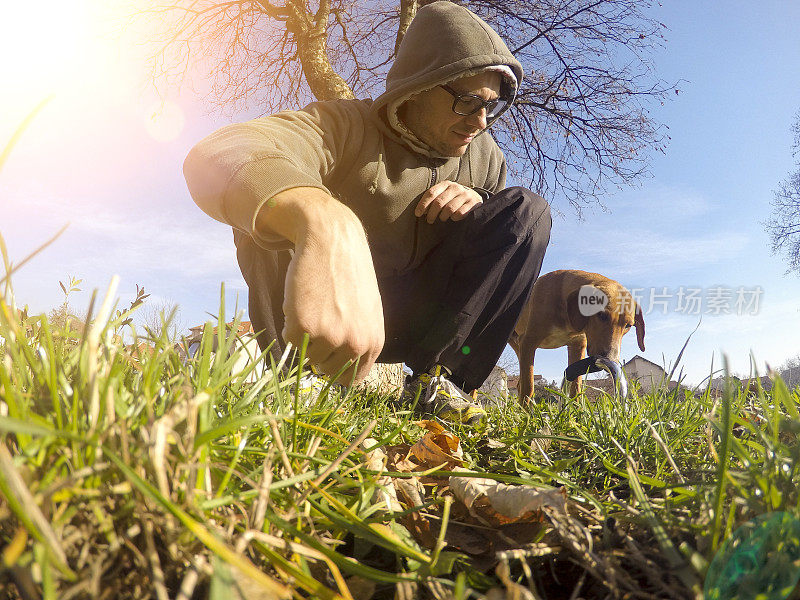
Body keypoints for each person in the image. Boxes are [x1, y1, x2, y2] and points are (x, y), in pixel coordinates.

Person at [183, 1, 551, 425]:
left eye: (492, 105)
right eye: (468, 102)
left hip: (418, 318)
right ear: (420, 85)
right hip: (331, 310)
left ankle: (439, 383)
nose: (482, 121)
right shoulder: (344, 124)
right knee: (268, 206)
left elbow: (500, 251)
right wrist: (325, 220)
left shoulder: (486, 159)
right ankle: (296, 379)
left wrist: (480, 199)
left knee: (528, 211)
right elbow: (218, 154)